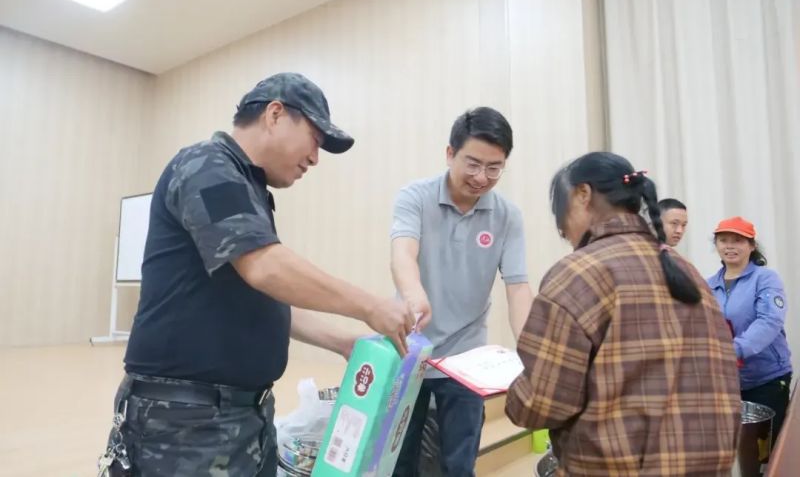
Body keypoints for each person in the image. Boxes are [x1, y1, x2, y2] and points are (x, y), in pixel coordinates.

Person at [101, 72, 416, 476]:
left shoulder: (248, 188)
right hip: (185, 424)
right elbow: (266, 268)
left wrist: (342, 342)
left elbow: (264, 296)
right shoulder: (206, 166)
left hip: (243, 416)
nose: (315, 158)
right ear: (275, 114)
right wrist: (370, 307)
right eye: (314, 139)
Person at [505, 152, 740, 476]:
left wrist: (511, 391)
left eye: (561, 217)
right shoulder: (685, 270)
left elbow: (541, 404)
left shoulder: (578, 273)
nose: (564, 232)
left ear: (583, 195)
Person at [390, 107, 534, 477]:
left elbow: (518, 287)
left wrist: (532, 350)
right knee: (399, 461)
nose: (482, 177)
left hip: (467, 357)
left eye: (494, 168)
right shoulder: (415, 197)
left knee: (459, 464)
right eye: (473, 164)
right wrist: (414, 294)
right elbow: (403, 254)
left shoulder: (508, 216)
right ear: (450, 154)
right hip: (411, 348)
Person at [707, 216, 792, 445]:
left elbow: (769, 321)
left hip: (767, 379)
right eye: (723, 240)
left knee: (767, 449)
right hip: (727, 383)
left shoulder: (765, 279)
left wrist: (733, 349)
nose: (730, 246)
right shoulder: (708, 285)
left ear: (752, 246)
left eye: (738, 240)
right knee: (735, 448)